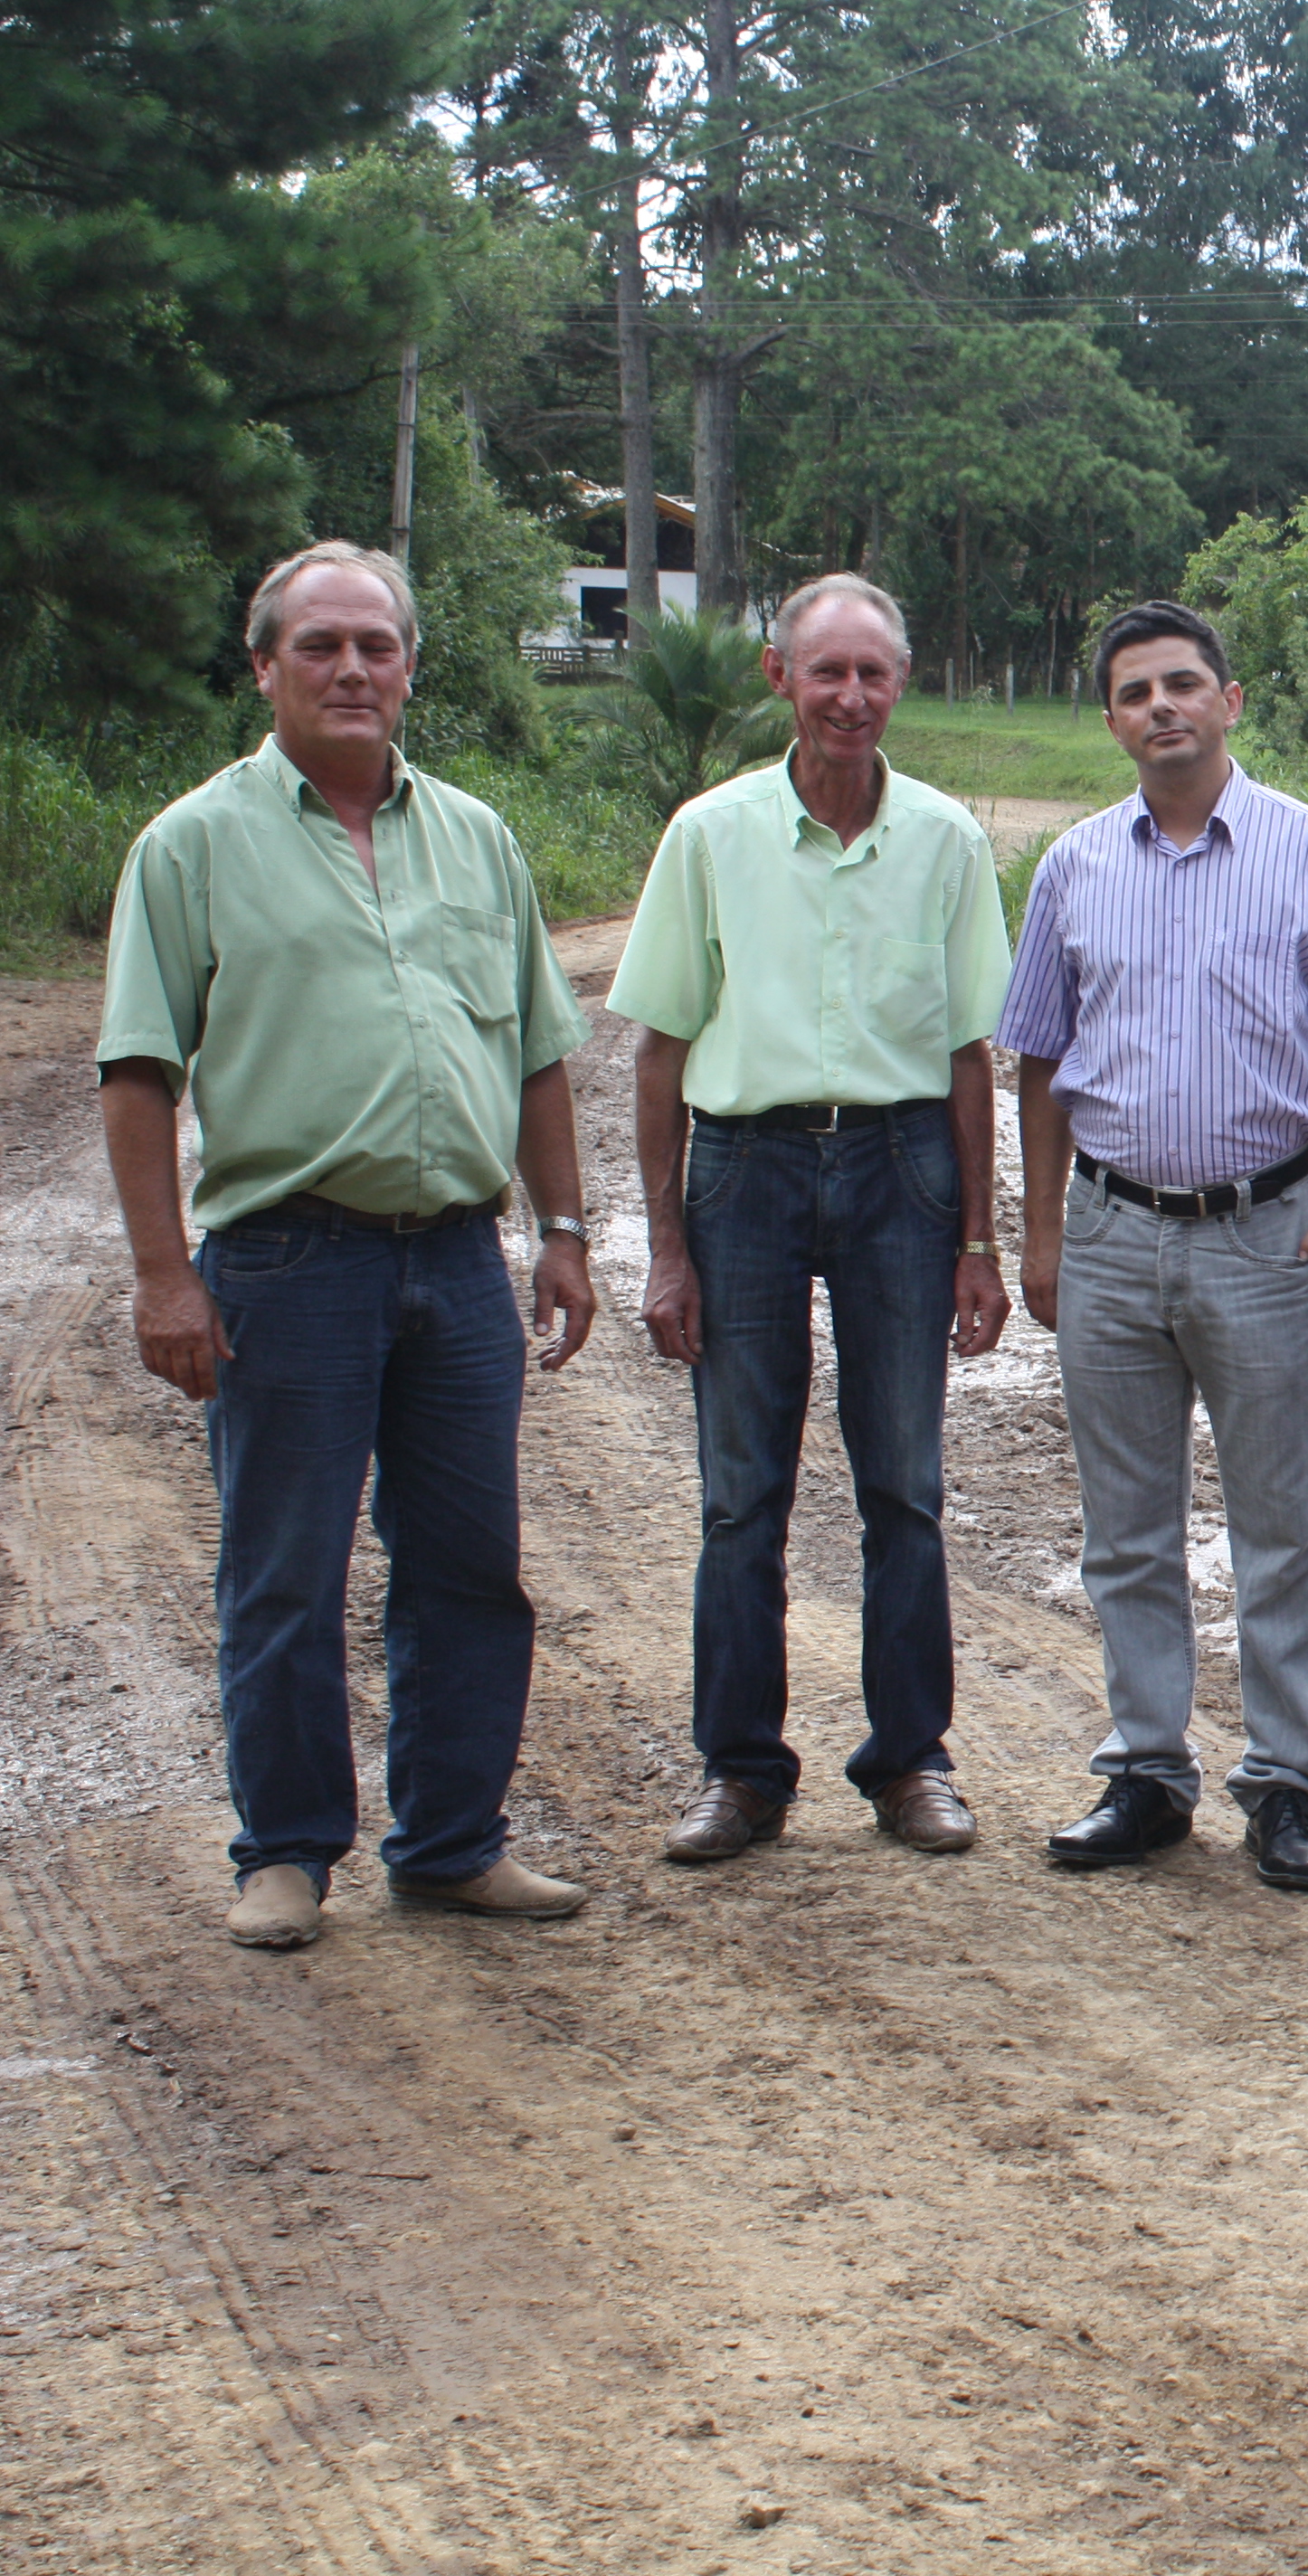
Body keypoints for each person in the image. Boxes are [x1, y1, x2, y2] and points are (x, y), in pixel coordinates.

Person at [97, 540, 601, 1950]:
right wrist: (160, 1273)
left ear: (411, 665)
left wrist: (561, 1232)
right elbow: (139, 1072)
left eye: (375, 645)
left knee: (466, 1568)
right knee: (286, 1570)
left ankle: (449, 1844)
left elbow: (540, 1059)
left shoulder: (478, 839)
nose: (352, 669)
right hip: (284, 1262)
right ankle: (287, 1854)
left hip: (455, 1258)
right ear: (265, 668)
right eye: (318, 646)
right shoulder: (192, 844)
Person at [1000, 601, 1308, 1885]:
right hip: (1112, 1231)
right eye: (1136, 693)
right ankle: (1145, 1771)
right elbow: (1034, 1061)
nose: (1162, 708)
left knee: (1281, 1524)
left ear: (1230, 701)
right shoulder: (1074, 865)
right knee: (1124, 1527)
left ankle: (1288, 1784)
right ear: (1112, 722)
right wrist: (1039, 1235)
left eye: (1184, 684)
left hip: (1262, 1235)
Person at [611, 573, 1014, 1865]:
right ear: (781, 678)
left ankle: (910, 1764)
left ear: (901, 686)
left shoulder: (949, 841)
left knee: (904, 1485)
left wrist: (979, 1241)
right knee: (743, 1495)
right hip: (747, 1175)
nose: (851, 697)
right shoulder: (711, 834)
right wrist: (667, 1247)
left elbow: (969, 1058)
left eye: (874, 675)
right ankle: (741, 1771)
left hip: (903, 1174)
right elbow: (661, 1053)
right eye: (826, 672)